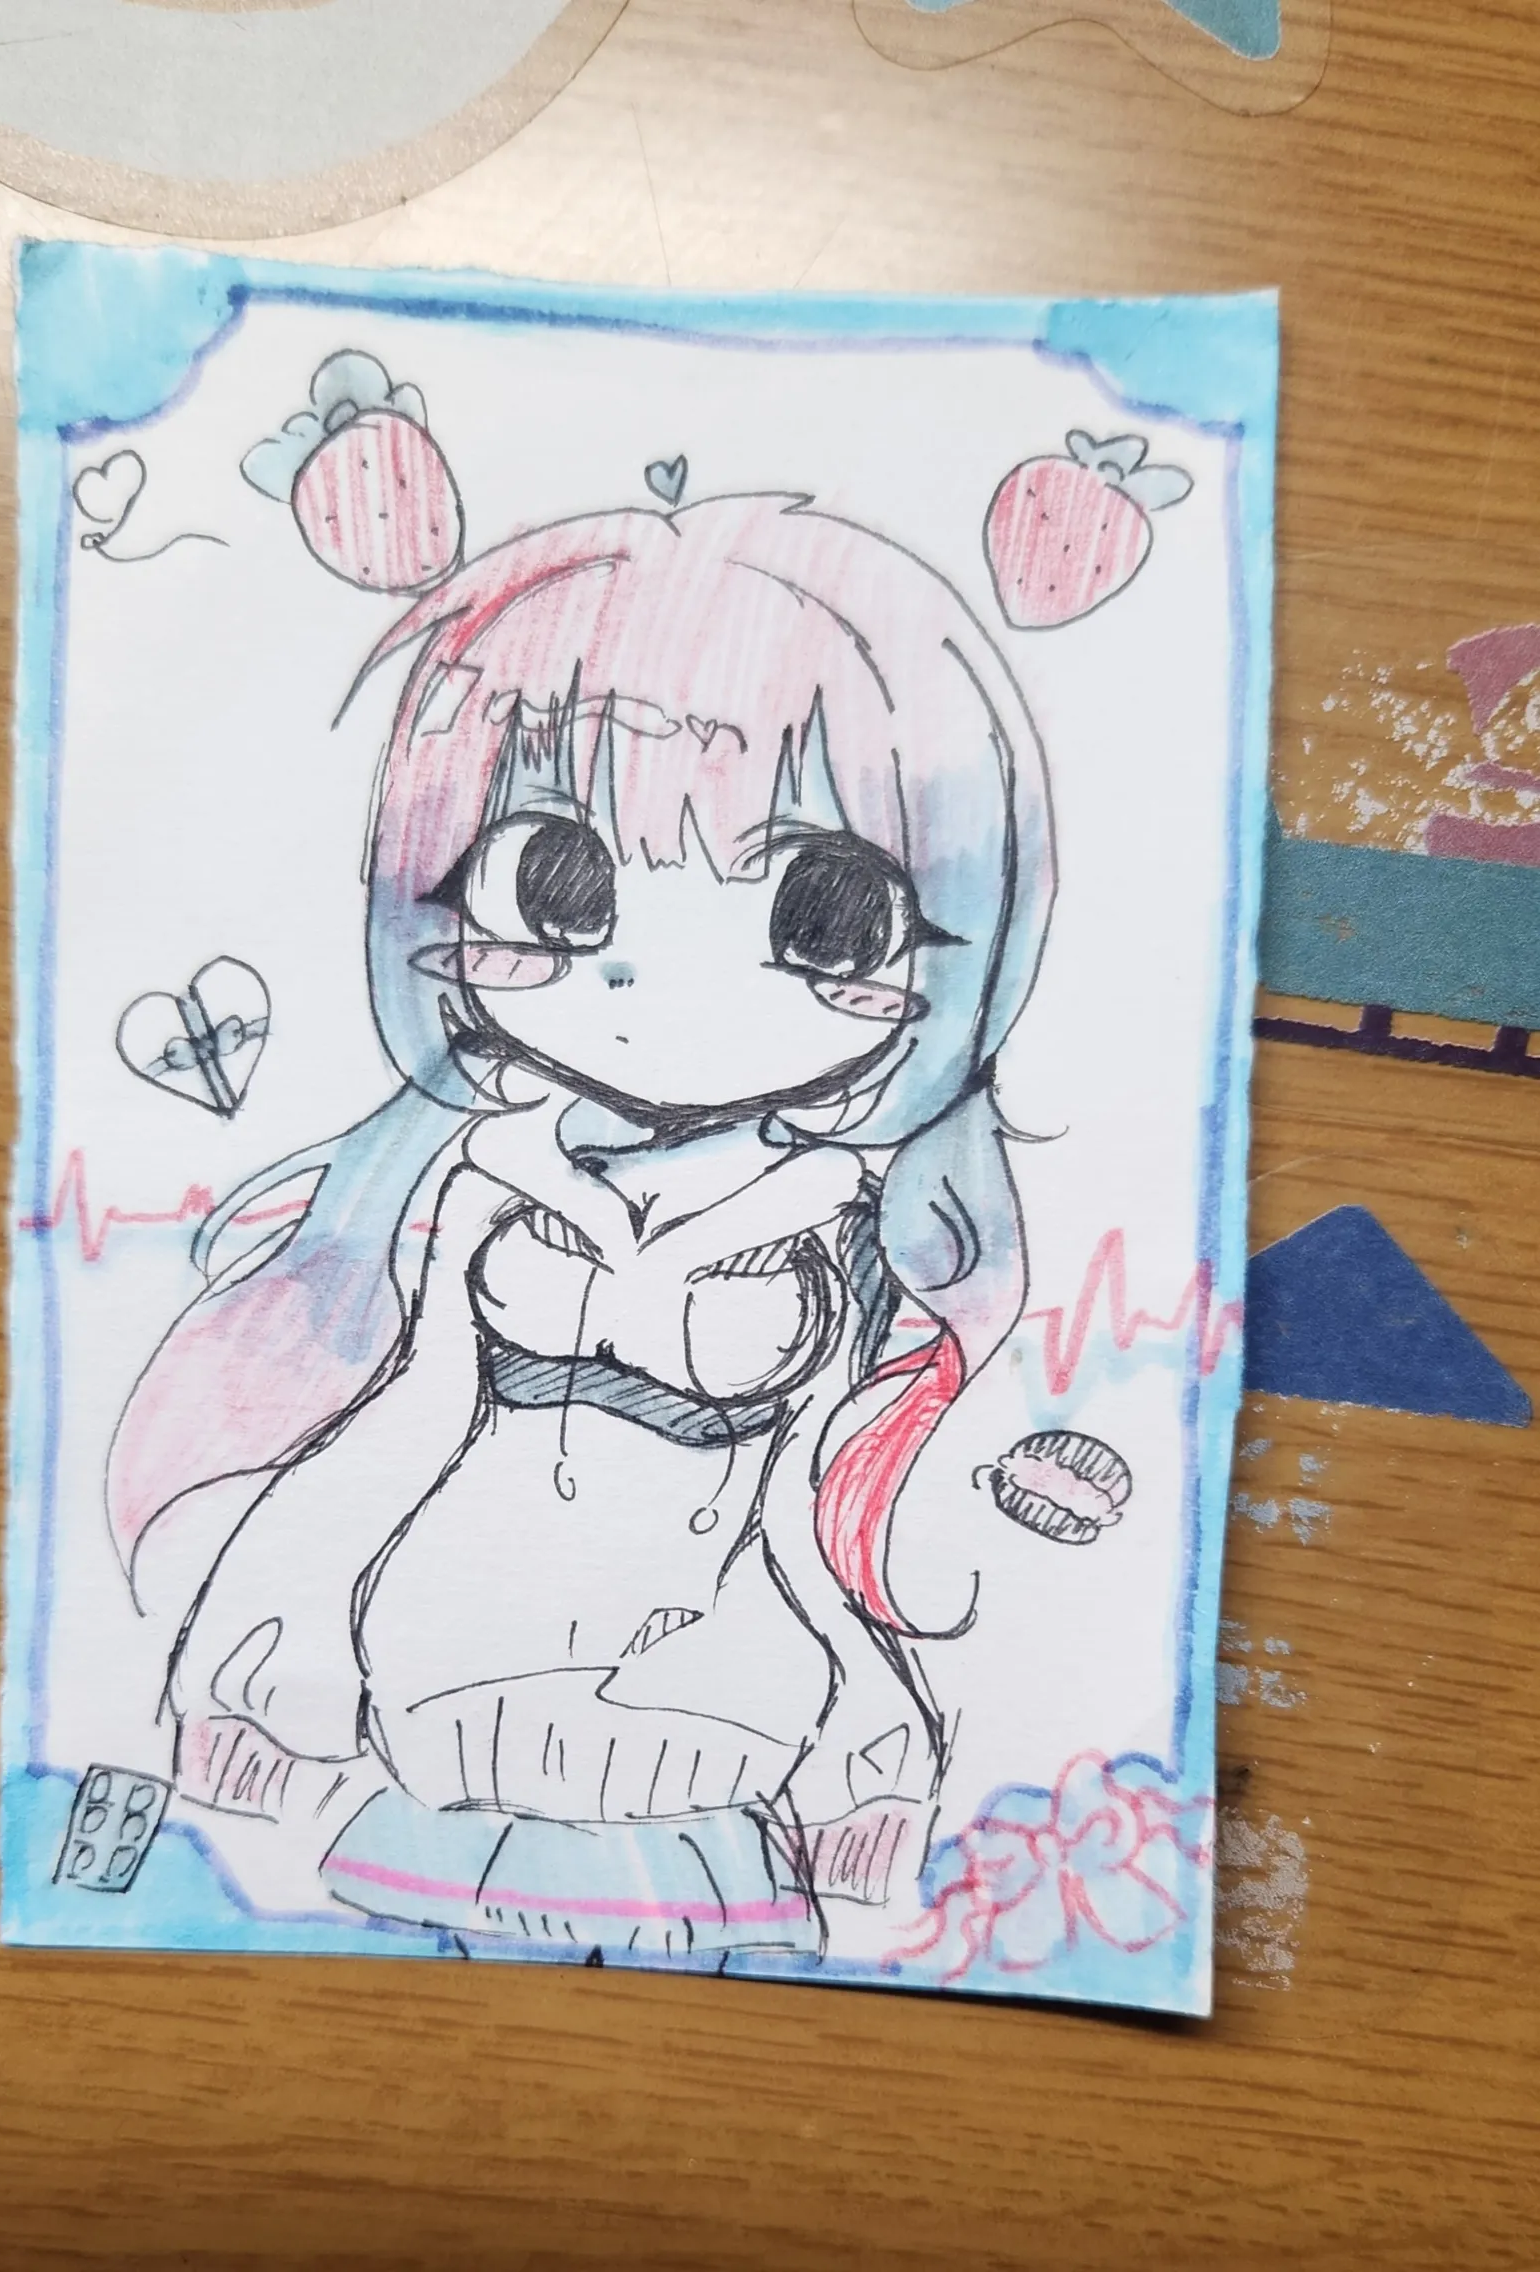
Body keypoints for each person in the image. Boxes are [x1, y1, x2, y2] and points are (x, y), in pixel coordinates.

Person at [107, 489, 1056, 1962]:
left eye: (821, 916)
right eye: (557, 888)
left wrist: (867, 1739)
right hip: (454, 1696)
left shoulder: (841, 1233)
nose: (663, 983)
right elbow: (396, 1428)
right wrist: (273, 1641)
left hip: (699, 1723)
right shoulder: (481, 1186)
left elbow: (808, 1507)